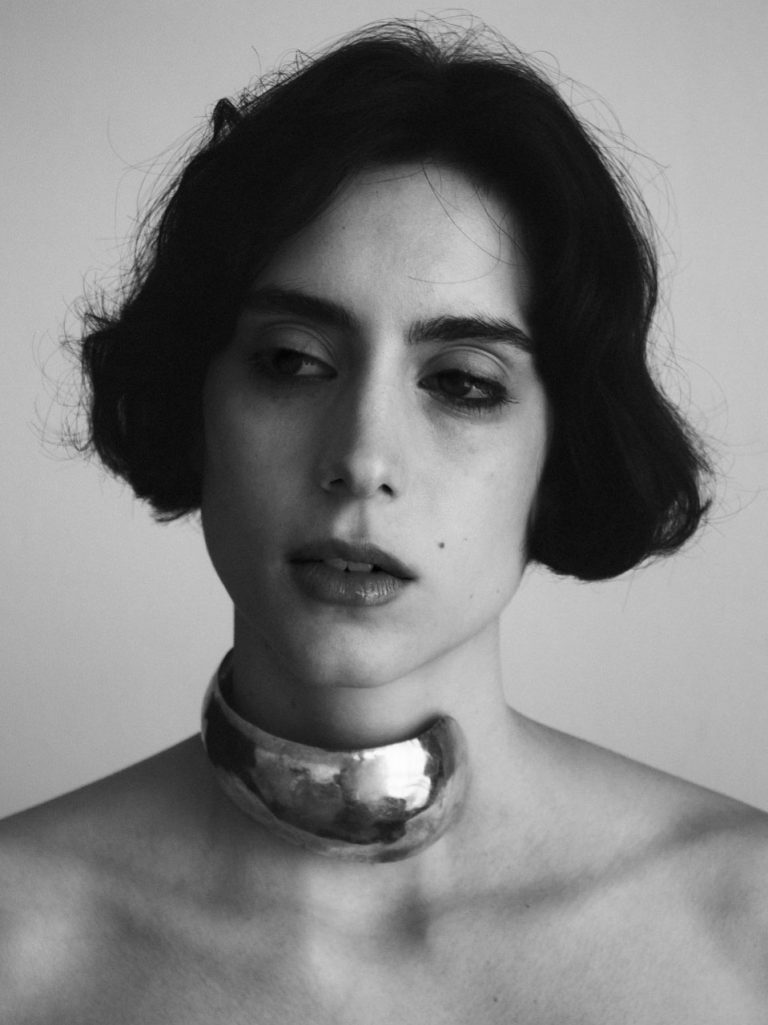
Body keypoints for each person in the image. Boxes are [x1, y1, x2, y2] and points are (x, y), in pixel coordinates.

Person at [2, 19, 767, 1023]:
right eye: (292, 361)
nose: (362, 457)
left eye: (462, 382)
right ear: (195, 403)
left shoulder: (745, 928)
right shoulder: (20, 941)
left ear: (560, 449)